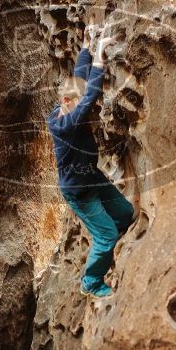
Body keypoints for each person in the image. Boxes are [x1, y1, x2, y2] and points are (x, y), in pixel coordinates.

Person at [46, 23, 134, 298]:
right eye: (80, 100)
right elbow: (89, 97)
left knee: (125, 214)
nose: (89, 106)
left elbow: (79, 78)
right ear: (67, 101)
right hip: (80, 192)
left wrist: (85, 46)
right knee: (106, 235)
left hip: (91, 177)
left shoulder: (67, 104)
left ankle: (109, 246)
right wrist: (99, 54)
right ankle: (91, 282)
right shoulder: (64, 124)